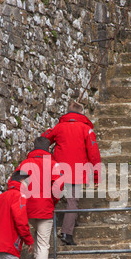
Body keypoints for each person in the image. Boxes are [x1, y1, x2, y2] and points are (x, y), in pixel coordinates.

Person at [42, 100, 101, 245]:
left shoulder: (59, 127)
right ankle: (66, 233)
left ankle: (43, 232)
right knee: (72, 202)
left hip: (57, 171)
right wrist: (96, 177)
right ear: (82, 113)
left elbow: (43, 140)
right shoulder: (86, 129)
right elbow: (94, 154)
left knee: (49, 199)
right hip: (77, 172)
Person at [15, 136, 64, 259]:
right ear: (48, 149)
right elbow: (58, 186)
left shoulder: (24, 164)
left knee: (35, 239)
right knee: (43, 244)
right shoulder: (53, 164)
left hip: (27, 208)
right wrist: (53, 201)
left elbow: (16, 184)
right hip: (44, 207)